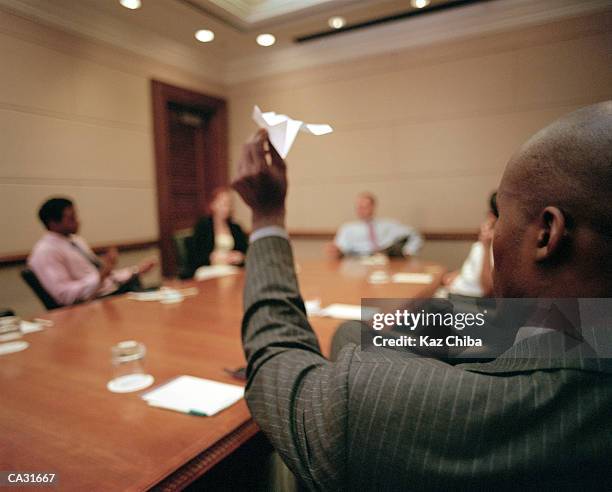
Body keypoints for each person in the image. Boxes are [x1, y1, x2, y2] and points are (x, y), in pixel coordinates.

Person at [231, 101, 612, 490]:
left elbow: (277, 359)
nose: (491, 232)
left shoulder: (393, 406)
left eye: (501, 217)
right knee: (351, 331)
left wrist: (266, 218)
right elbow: (473, 323)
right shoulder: (581, 322)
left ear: (547, 233)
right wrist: (387, 328)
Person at [28, 197, 157, 307]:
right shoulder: (45, 252)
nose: (78, 221)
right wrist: (101, 275)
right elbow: (64, 295)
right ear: (53, 223)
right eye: (71, 218)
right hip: (91, 305)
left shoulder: (76, 241)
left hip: (112, 293)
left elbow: (105, 277)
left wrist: (136, 270)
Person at [326, 192, 422, 258]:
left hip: (387, 262)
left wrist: (409, 251)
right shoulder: (348, 228)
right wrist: (336, 251)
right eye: (359, 207)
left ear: (373, 207)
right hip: (358, 264)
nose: (361, 210)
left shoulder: (389, 225)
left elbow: (414, 235)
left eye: (365, 207)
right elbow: (340, 248)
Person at [442, 191, 497, 297]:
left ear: (491, 216)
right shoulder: (484, 241)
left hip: (467, 300)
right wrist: (458, 274)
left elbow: (488, 290)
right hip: (456, 290)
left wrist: (486, 247)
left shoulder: (494, 245)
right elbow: (474, 269)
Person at [186, 187, 248, 277]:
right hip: (208, 269)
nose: (226, 208)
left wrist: (239, 256)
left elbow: (245, 251)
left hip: (231, 269)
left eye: (228, 204)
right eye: (223, 204)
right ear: (213, 205)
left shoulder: (236, 228)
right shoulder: (203, 226)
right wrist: (211, 258)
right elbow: (194, 256)